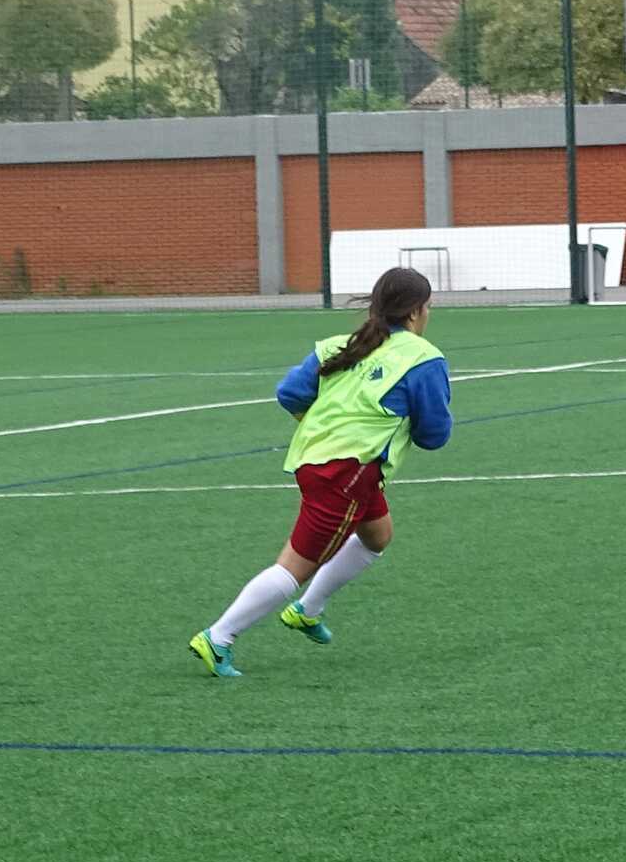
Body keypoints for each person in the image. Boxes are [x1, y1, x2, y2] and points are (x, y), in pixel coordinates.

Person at [188, 267, 453, 678]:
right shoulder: (423, 357)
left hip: (316, 461)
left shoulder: (340, 344)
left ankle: (307, 610)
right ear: (417, 310)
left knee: (377, 535)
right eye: (429, 307)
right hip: (347, 473)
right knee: (296, 565)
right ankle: (219, 636)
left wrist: (326, 431)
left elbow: (290, 393)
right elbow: (434, 435)